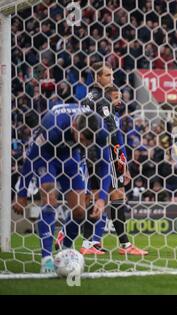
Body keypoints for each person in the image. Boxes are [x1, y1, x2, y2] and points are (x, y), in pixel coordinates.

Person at [59, 62, 147, 256]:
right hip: (104, 154)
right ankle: (112, 244)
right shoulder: (101, 101)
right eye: (108, 75)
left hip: (90, 153)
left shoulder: (87, 98)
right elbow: (112, 134)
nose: (112, 79)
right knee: (115, 195)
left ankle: (85, 240)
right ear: (98, 77)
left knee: (95, 196)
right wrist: (122, 161)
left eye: (112, 75)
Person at [13, 104, 111, 272]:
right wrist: (22, 194)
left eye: (89, 142)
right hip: (46, 156)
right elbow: (30, 159)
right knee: (49, 200)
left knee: (80, 210)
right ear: (74, 127)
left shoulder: (100, 129)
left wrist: (102, 198)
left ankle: (63, 252)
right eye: (83, 140)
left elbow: (106, 164)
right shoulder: (53, 125)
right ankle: (46, 259)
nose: (87, 145)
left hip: (72, 157)